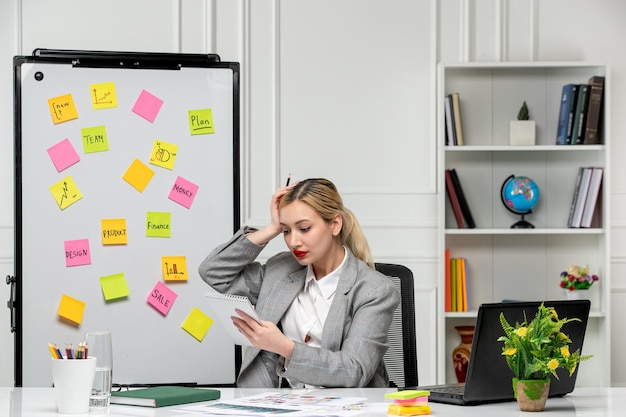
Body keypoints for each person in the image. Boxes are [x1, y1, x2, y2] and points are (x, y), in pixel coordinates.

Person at [198, 178, 400, 388]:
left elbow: (354, 370)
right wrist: (271, 228)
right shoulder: (280, 271)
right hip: (274, 404)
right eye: (286, 231)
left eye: (304, 228)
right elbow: (213, 271)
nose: (293, 242)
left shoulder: (374, 290)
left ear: (335, 224)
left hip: (343, 406)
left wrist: (285, 347)